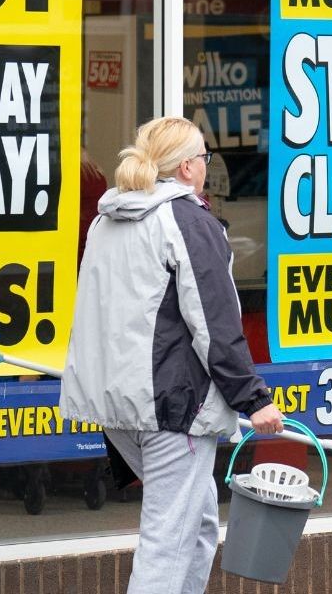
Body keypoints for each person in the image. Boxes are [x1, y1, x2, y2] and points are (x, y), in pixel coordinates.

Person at [60, 117, 284, 593]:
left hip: (119, 404)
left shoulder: (107, 219)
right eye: (204, 158)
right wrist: (253, 399)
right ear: (187, 167)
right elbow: (215, 324)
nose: (206, 166)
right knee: (169, 540)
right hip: (171, 408)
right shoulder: (187, 221)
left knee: (197, 524)